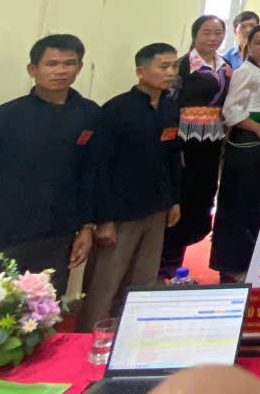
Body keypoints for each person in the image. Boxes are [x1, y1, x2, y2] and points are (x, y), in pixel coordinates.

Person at [0, 34, 100, 295]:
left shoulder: (90, 114)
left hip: (59, 234)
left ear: (80, 67)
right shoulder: (4, 117)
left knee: (47, 307)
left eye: (69, 63)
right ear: (32, 69)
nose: (61, 71)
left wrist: (86, 227)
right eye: (52, 64)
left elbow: (90, 174)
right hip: (5, 234)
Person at [78, 43, 182, 331]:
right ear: (140, 71)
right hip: (120, 212)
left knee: (143, 281)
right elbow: (98, 166)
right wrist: (103, 219)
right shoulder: (116, 110)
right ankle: (89, 340)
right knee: (104, 284)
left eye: (174, 66)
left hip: (156, 208)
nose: (170, 72)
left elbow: (173, 157)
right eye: (163, 66)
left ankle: (132, 335)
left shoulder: (170, 107)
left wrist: (174, 200)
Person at [160, 15, 231, 278]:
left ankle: (177, 266)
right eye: (206, 32)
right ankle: (165, 267)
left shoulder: (225, 65)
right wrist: (175, 146)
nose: (213, 38)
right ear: (195, 35)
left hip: (212, 142)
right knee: (182, 199)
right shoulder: (182, 65)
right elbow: (169, 104)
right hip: (185, 142)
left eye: (218, 32)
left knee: (202, 198)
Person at [211, 25, 260, 281]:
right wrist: (258, 128)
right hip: (246, 142)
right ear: (248, 44)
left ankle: (251, 260)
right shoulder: (244, 72)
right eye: (258, 42)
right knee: (239, 201)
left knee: (255, 202)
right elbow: (231, 111)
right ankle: (232, 265)